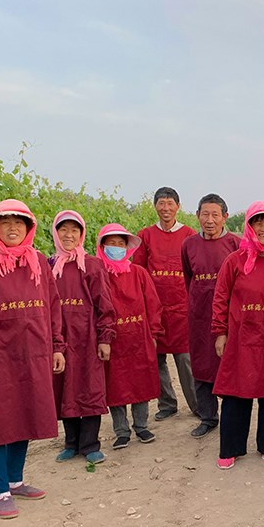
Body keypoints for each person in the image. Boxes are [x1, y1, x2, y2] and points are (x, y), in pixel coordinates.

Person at [0, 200, 65, 520]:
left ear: (29, 228)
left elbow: (53, 306)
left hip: (34, 354)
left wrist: (57, 346)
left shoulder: (38, 263)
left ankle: (16, 481)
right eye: (5, 222)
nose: (12, 227)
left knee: (25, 414)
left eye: (19, 222)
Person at [212, 202, 264, 469]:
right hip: (241, 337)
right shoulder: (234, 260)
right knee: (237, 391)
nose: (263, 228)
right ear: (249, 226)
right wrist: (220, 332)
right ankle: (231, 447)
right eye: (258, 222)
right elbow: (221, 297)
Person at [49, 210, 116, 464]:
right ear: (55, 233)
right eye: (63, 230)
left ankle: (90, 444)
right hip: (60, 338)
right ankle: (71, 443)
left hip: (87, 337)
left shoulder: (91, 265)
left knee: (89, 387)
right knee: (65, 387)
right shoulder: (49, 266)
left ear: (81, 234)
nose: (69, 235)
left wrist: (105, 337)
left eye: (74, 230)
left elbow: (104, 303)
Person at [133, 187, 198, 421]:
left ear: (178, 207)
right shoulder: (146, 235)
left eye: (170, 203)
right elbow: (138, 272)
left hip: (182, 308)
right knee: (157, 359)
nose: (166, 208)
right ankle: (167, 403)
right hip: (154, 308)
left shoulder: (189, 235)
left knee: (185, 359)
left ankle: (197, 405)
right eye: (161, 203)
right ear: (155, 206)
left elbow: (195, 271)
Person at [96, 224, 163, 450]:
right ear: (102, 246)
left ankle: (141, 426)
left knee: (140, 381)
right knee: (116, 385)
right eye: (111, 243)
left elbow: (153, 304)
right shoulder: (99, 275)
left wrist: (154, 332)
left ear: (127, 248)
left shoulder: (138, 273)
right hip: (113, 340)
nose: (116, 248)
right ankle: (121, 431)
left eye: (120, 244)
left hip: (139, 336)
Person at [181, 194, 241, 438]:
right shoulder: (189, 245)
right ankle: (207, 417)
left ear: (225, 217)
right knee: (201, 364)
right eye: (205, 214)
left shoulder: (236, 244)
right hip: (199, 315)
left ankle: (232, 415)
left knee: (227, 364)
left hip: (229, 317)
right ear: (197, 216)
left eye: (215, 215)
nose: (210, 220)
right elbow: (189, 278)